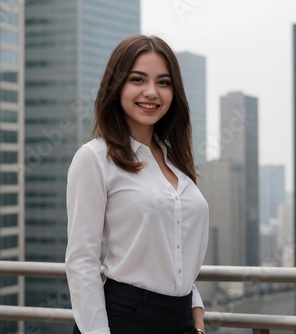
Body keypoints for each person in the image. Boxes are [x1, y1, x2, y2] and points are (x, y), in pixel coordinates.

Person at [65, 34, 209, 334]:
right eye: (138, 79)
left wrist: (193, 299)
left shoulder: (175, 159)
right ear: (116, 86)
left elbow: (174, 241)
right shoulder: (94, 158)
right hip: (126, 318)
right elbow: (81, 260)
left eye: (164, 82)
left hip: (181, 319)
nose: (152, 92)